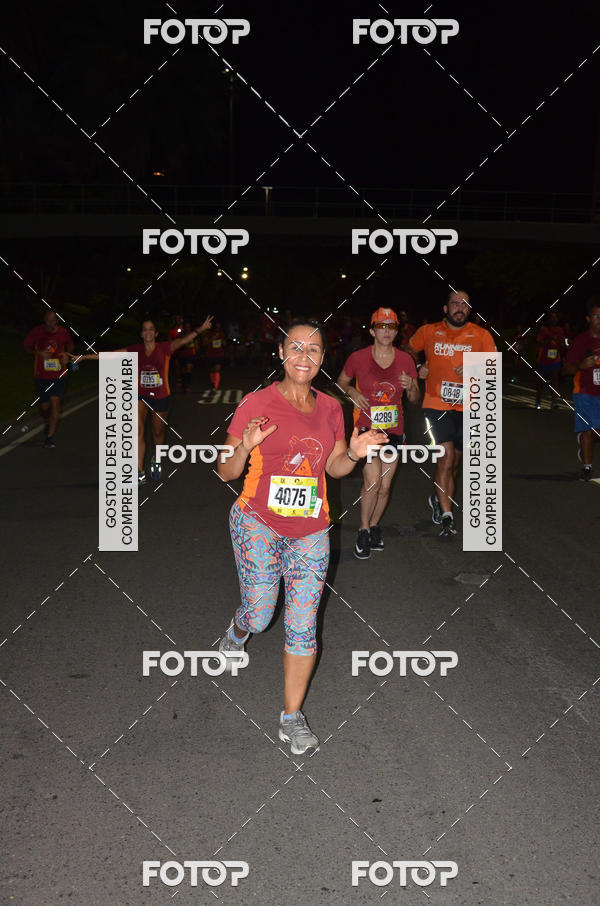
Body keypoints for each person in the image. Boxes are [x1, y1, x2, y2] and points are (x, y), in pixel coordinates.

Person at [216, 318, 385, 755]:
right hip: (257, 522)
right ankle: (238, 629)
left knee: (302, 626)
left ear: (323, 358)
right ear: (280, 353)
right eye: (296, 348)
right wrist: (246, 444)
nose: (304, 356)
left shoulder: (331, 408)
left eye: (313, 350)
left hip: (310, 530)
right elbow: (226, 472)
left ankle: (291, 718)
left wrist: (355, 452)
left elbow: (335, 468)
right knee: (259, 616)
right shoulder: (255, 402)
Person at [75, 316, 212, 482]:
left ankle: (156, 459)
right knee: (137, 432)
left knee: (157, 433)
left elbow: (184, 341)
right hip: (140, 394)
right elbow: (111, 355)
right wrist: (84, 357)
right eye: (145, 329)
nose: (148, 332)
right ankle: (139, 471)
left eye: (150, 329)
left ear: (155, 333)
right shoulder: (136, 349)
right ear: (142, 334)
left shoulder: (165, 348)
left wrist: (201, 329)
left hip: (161, 396)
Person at [408, 291, 496, 539]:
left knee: (455, 462)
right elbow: (408, 351)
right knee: (446, 458)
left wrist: (474, 367)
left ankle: (438, 496)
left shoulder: (481, 335)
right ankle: (448, 517)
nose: (460, 308)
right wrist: (417, 368)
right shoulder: (428, 331)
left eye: (465, 304)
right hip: (437, 404)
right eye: (455, 304)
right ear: (445, 308)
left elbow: (493, 368)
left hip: (469, 406)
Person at [337, 306, 419, 558]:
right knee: (372, 482)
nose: (386, 331)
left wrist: (412, 386)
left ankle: (374, 526)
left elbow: (415, 399)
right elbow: (341, 382)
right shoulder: (358, 357)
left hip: (394, 430)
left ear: (396, 332)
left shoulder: (406, 360)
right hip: (367, 429)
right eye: (381, 326)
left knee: (385, 487)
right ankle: (363, 529)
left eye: (391, 327)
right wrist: (352, 392)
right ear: (372, 330)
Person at [24, 310, 74, 448]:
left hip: (59, 375)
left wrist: (67, 355)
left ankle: (49, 437)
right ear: (44, 320)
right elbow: (27, 347)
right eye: (48, 321)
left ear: (57, 320)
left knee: (55, 402)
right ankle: (47, 420)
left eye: (53, 321)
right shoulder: (37, 331)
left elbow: (70, 345)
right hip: (41, 375)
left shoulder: (63, 332)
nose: (50, 324)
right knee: (45, 406)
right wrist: (38, 352)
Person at [564, 296, 600, 480]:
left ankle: (584, 441)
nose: (599, 320)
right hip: (584, 392)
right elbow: (567, 368)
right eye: (596, 316)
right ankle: (587, 467)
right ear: (588, 319)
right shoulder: (581, 341)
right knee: (589, 429)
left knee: (596, 432)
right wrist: (581, 365)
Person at [534, 312, 566, 409]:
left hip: (555, 358)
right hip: (543, 359)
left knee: (555, 379)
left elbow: (562, 342)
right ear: (549, 319)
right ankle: (538, 399)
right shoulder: (544, 329)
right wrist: (548, 340)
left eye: (556, 317)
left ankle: (554, 401)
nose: (555, 319)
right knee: (541, 381)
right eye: (552, 317)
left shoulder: (560, 330)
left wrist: (563, 346)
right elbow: (539, 341)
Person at [206, 321, 227, 390]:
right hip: (211, 354)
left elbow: (224, 343)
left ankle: (215, 386)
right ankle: (213, 383)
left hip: (219, 354)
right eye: (216, 327)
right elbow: (206, 342)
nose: (217, 328)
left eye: (219, 327)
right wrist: (214, 337)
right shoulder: (209, 333)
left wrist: (224, 342)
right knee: (212, 370)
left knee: (217, 369)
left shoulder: (221, 333)